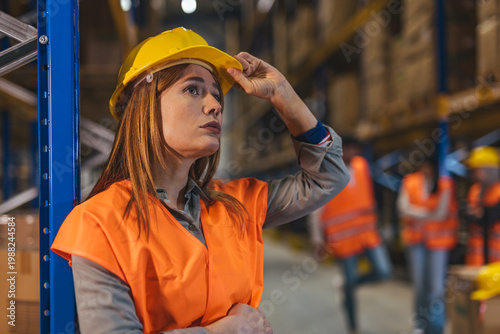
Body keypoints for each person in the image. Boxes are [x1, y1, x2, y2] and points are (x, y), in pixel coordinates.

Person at [50, 27, 350, 334]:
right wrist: (224, 331)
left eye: (216, 96)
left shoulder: (236, 205)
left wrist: (282, 93)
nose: (215, 105)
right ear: (144, 104)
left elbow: (329, 177)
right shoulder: (101, 223)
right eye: (193, 90)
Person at [308, 136, 391, 334]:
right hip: (343, 238)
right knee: (350, 287)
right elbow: (316, 208)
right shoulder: (327, 172)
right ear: (339, 150)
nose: (353, 153)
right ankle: (353, 327)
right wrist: (317, 239)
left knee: (383, 271)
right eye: (349, 149)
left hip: (368, 234)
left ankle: (347, 284)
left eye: (356, 149)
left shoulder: (362, 166)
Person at [397, 158, 458, 334]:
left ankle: (436, 328)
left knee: (436, 288)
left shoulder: (446, 184)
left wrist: (415, 213)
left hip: (439, 243)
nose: (426, 167)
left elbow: (441, 214)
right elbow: (402, 208)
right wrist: (428, 214)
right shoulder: (410, 181)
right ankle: (420, 325)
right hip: (416, 241)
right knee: (420, 285)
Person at [465, 146, 500, 266]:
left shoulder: (498, 191)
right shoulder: (474, 190)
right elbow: (467, 215)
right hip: (476, 258)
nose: (473, 174)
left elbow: (489, 218)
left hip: (496, 261)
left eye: (477, 169)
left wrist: (480, 214)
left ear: (491, 170)